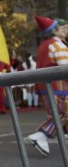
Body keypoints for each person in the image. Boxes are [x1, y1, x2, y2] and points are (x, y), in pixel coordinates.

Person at [27, 16, 68, 156]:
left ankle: (43, 136)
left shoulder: (43, 45)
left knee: (56, 113)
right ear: (55, 31)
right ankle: (41, 136)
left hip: (45, 86)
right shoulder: (57, 45)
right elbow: (65, 67)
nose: (66, 31)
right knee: (62, 113)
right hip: (58, 86)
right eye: (63, 28)